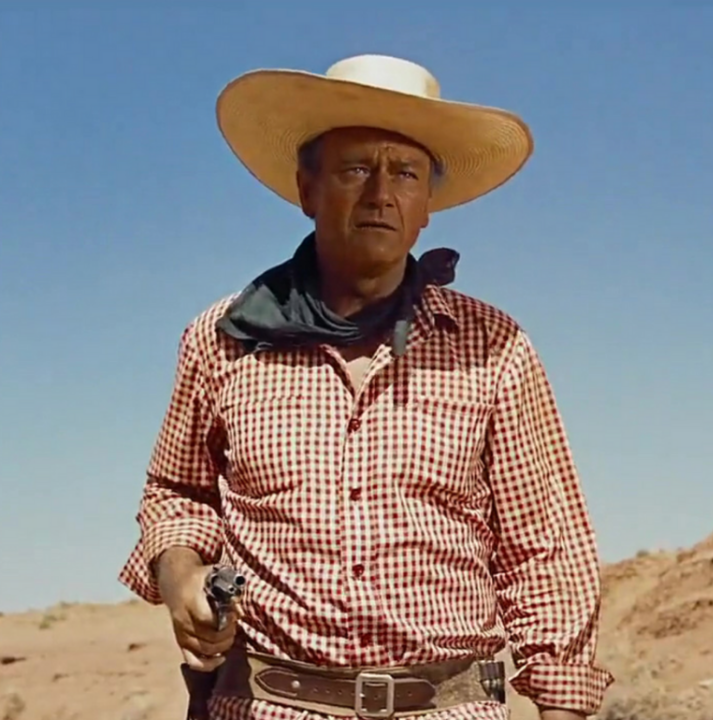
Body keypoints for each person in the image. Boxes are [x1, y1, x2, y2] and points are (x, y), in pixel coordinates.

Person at [118, 54, 613, 720]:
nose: (381, 192)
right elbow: (176, 492)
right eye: (355, 169)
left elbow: (544, 546)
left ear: (426, 206)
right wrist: (182, 575)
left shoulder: (495, 347)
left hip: (449, 708)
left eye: (405, 173)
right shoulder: (223, 337)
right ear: (307, 189)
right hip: (269, 706)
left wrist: (563, 703)